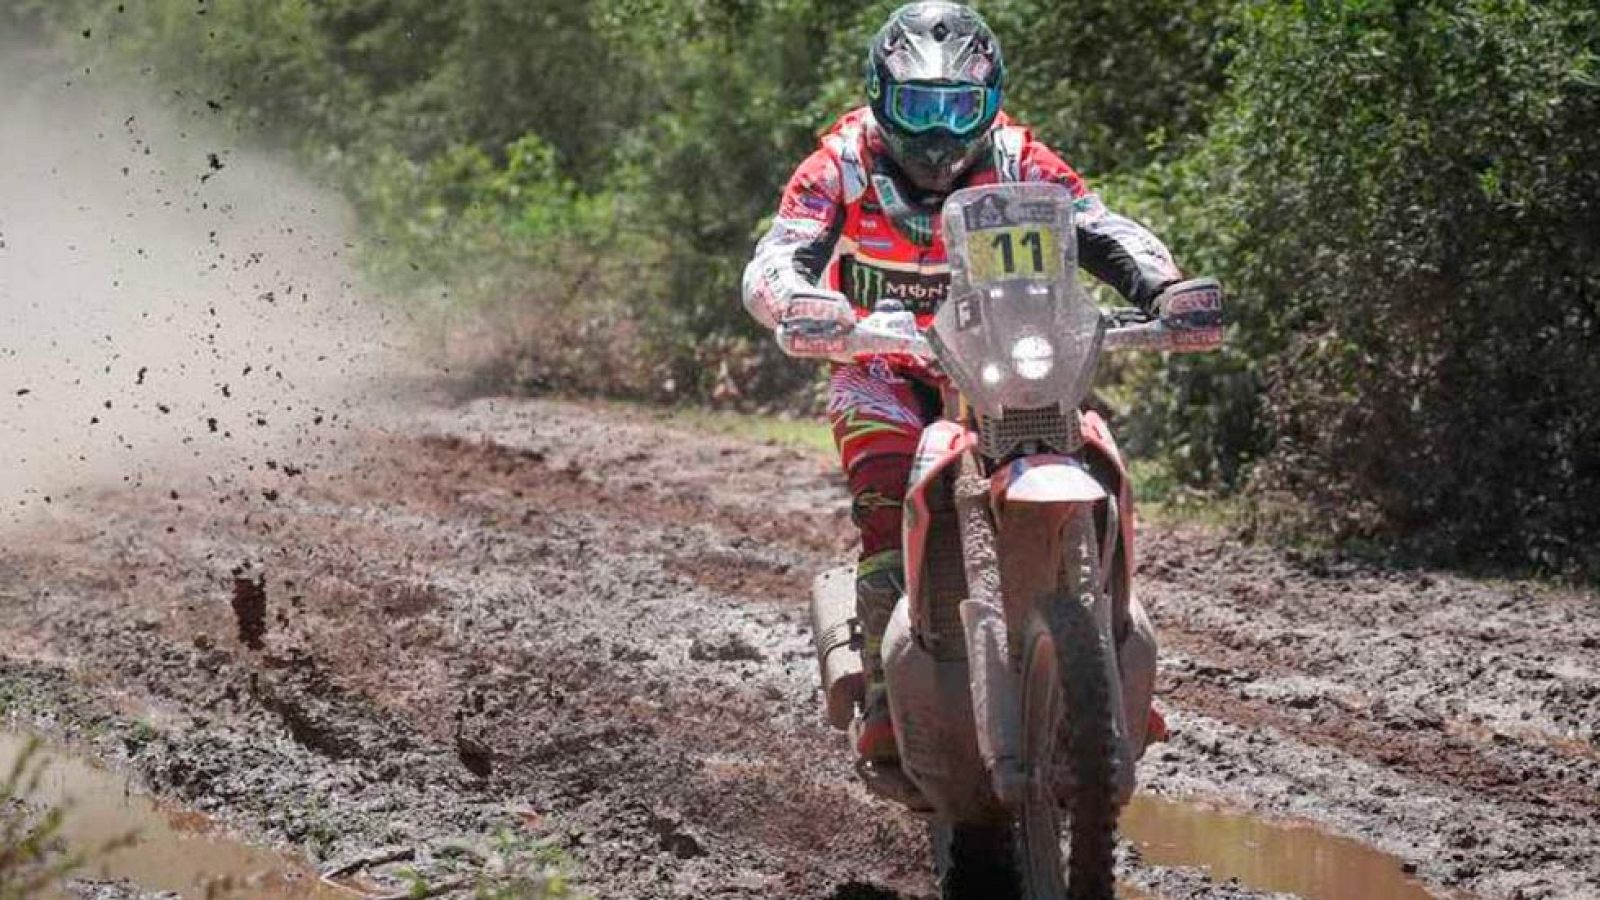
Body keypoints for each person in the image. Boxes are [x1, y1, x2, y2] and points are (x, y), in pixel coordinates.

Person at [742, 1, 1216, 766]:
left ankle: (1111, 664)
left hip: (1005, 363)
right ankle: (886, 698)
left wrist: (1164, 288)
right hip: (883, 365)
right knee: (886, 500)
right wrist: (796, 302)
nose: (939, 131)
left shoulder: (1020, 158)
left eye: (959, 107)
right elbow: (780, 252)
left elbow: (1099, 225)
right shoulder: (840, 165)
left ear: (989, 102)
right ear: (881, 97)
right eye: (918, 106)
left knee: (1095, 460)